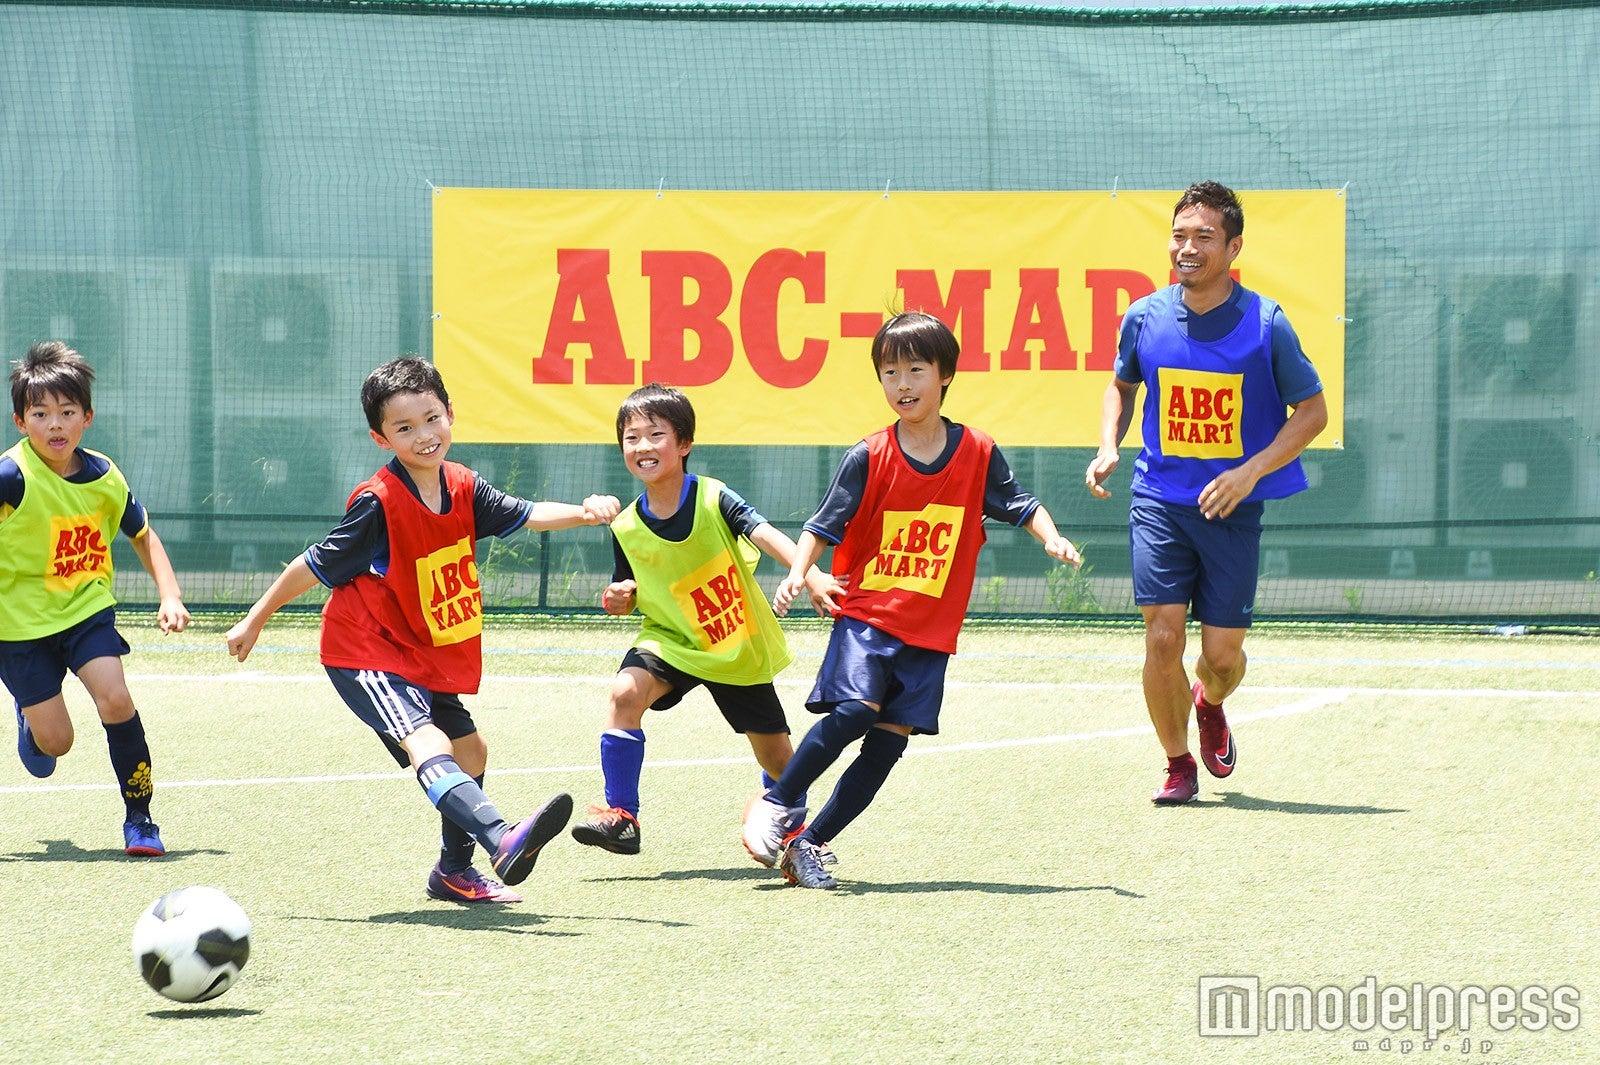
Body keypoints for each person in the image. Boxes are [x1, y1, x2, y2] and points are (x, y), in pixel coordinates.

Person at [224, 356, 620, 902]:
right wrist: (254, 620)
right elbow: (311, 564)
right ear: (380, 438)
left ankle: (454, 872)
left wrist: (585, 511)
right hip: (367, 651)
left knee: (471, 750)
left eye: (432, 419)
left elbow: (525, 513)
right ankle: (500, 836)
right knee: (427, 741)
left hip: (420, 652)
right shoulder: (377, 504)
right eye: (404, 428)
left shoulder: (463, 486)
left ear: (450, 414)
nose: (424, 436)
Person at [742, 312, 1082, 889]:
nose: (902, 383)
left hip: (931, 632)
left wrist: (1050, 537)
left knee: (886, 747)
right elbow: (822, 525)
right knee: (853, 712)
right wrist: (800, 573)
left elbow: (1021, 504)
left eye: (915, 370)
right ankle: (777, 801)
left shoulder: (977, 451)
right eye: (889, 371)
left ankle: (810, 846)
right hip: (869, 616)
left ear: (945, 375)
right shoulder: (868, 455)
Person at [1084, 180, 1328, 806]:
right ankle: (1176, 763)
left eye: (1203, 237)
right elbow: (1121, 385)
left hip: (1232, 510)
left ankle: (1210, 702)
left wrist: (1250, 472)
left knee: (1222, 658)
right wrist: (1110, 443)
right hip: (1159, 500)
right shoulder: (1144, 315)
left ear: (1233, 246)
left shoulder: (1267, 323)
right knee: (1162, 636)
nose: (1187, 248)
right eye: (1179, 236)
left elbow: (1312, 411)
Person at [570, 384, 843, 855]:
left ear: (684, 443)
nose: (643, 447)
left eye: (656, 434)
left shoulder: (714, 498)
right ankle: (622, 816)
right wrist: (621, 598)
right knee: (624, 692)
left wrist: (811, 575)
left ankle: (783, 817)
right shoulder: (626, 525)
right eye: (631, 438)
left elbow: (767, 534)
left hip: (730, 641)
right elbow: (628, 587)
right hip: (669, 639)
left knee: (782, 762)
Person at [2, 341, 190, 856]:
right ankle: (29, 715)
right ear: (20, 421)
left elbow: (142, 534)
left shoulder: (105, 476)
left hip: (86, 612)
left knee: (116, 697)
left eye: (67, 412)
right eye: (40, 414)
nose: (55, 424)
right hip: (17, 627)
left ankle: (141, 818)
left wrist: (169, 594)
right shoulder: (10, 478)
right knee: (54, 745)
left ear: (88, 416)